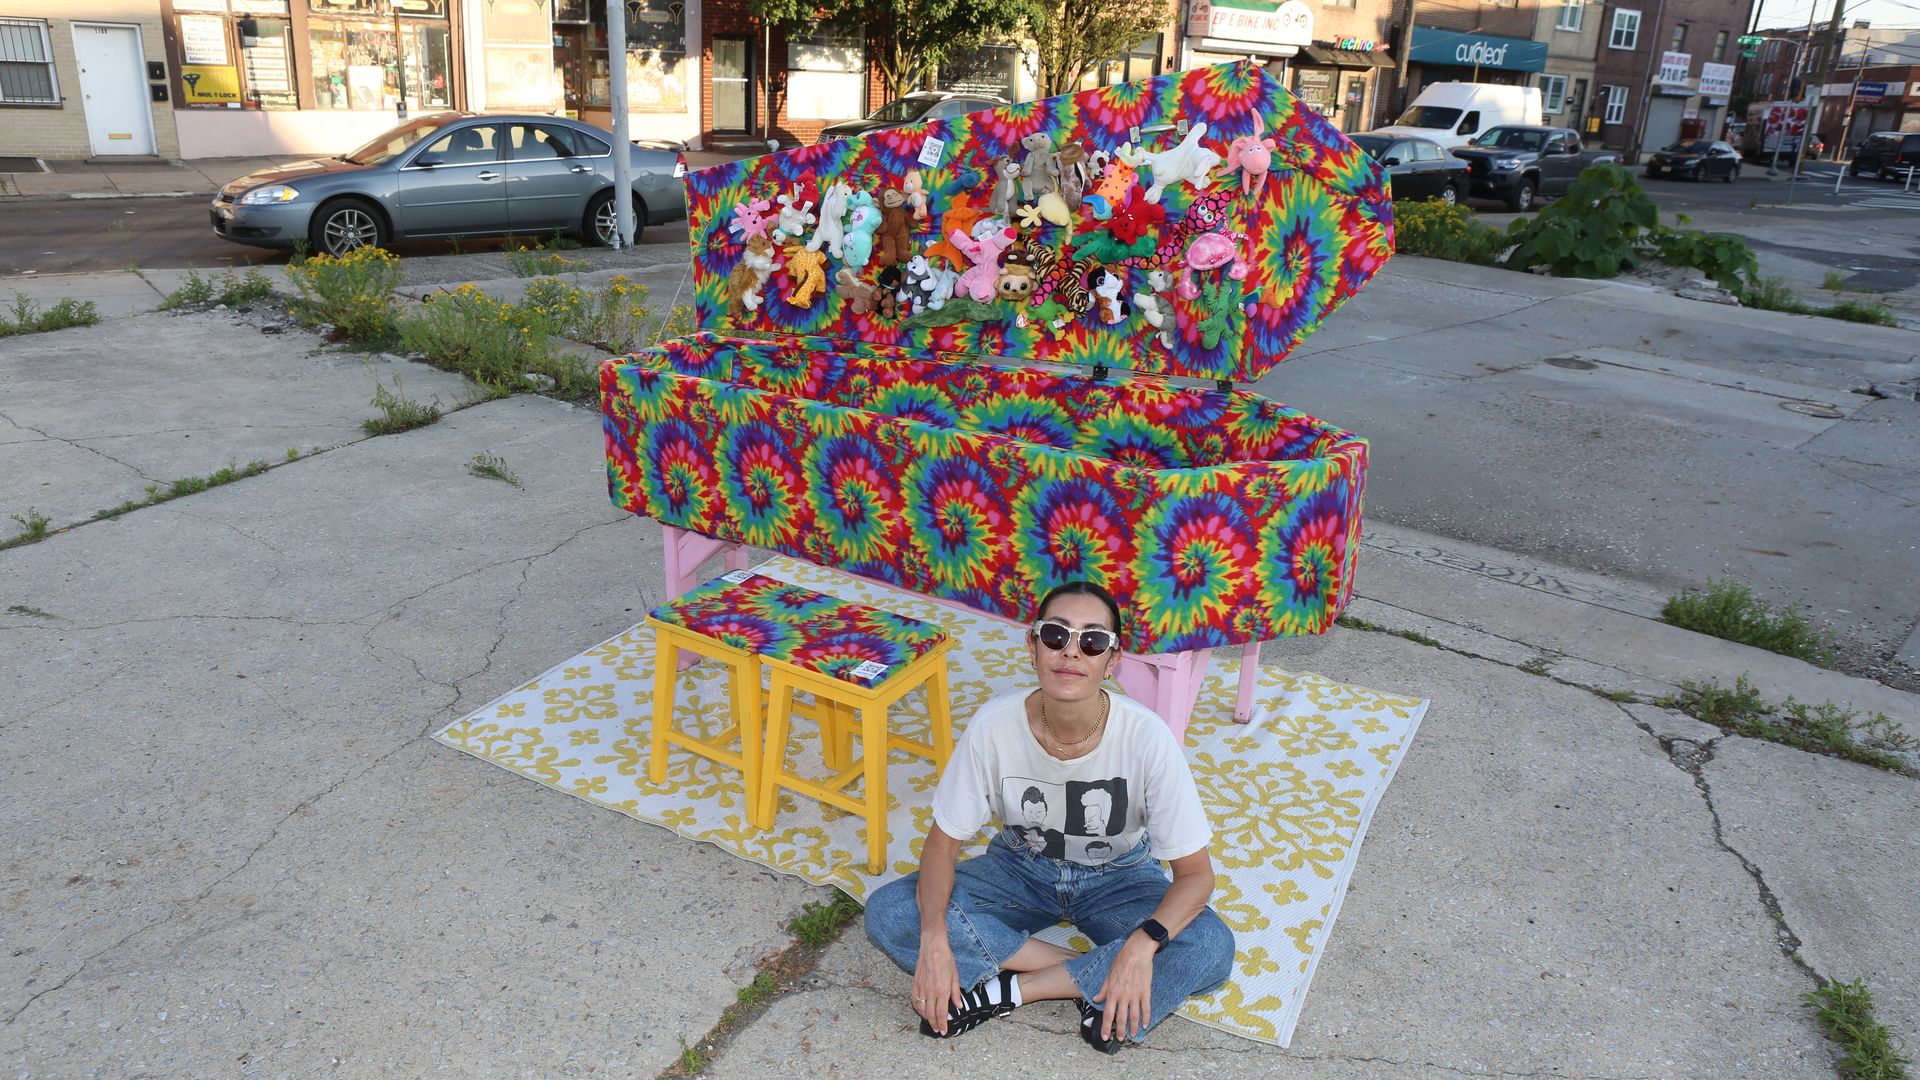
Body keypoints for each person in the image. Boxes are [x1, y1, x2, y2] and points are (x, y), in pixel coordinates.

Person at [864, 581, 1235, 1053]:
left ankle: (1018, 988)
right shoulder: (993, 725)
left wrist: (1143, 945)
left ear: (1112, 659)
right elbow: (942, 843)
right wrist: (935, 936)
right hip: (1018, 866)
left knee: (1210, 947)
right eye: (1056, 635)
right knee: (892, 911)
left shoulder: (1148, 737)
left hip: (1119, 876)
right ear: (1033, 646)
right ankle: (1092, 979)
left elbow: (1197, 876)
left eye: (1093, 641)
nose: (1072, 652)